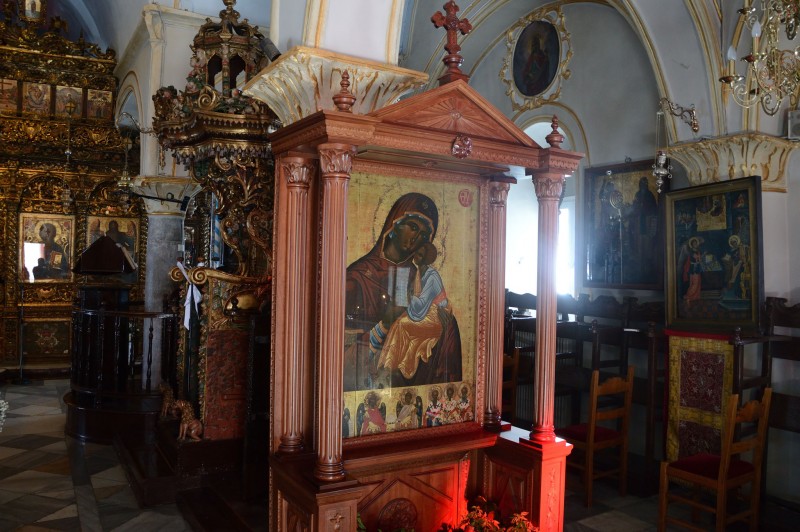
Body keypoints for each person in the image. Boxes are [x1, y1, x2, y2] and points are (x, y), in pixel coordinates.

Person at [344, 192, 462, 391]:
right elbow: (340, 356)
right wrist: (384, 325)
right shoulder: (357, 279)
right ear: (393, 224)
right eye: (413, 227)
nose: (416, 237)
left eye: (424, 235)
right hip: (372, 386)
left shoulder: (421, 276)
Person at [377, 242, 454, 382]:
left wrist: (407, 295)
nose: (415, 256)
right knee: (398, 323)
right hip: (423, 313)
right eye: (416, 253)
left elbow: (421, 305)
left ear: (425, 259)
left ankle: (395, 366)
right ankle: (388, 366)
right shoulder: (419, 272)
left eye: (419, 255)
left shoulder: (432, 276)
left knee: (403, 324)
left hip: (435, 317)